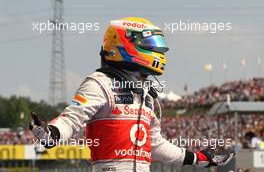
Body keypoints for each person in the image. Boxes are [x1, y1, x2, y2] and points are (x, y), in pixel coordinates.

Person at [30, 17, 234, 172]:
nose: (159, 53)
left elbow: (154, 144)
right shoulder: (100, 83)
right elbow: (72, 119)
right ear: (125, 44)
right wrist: (51, 134)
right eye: (152, 45)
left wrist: (197, 158)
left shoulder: (146, 94)